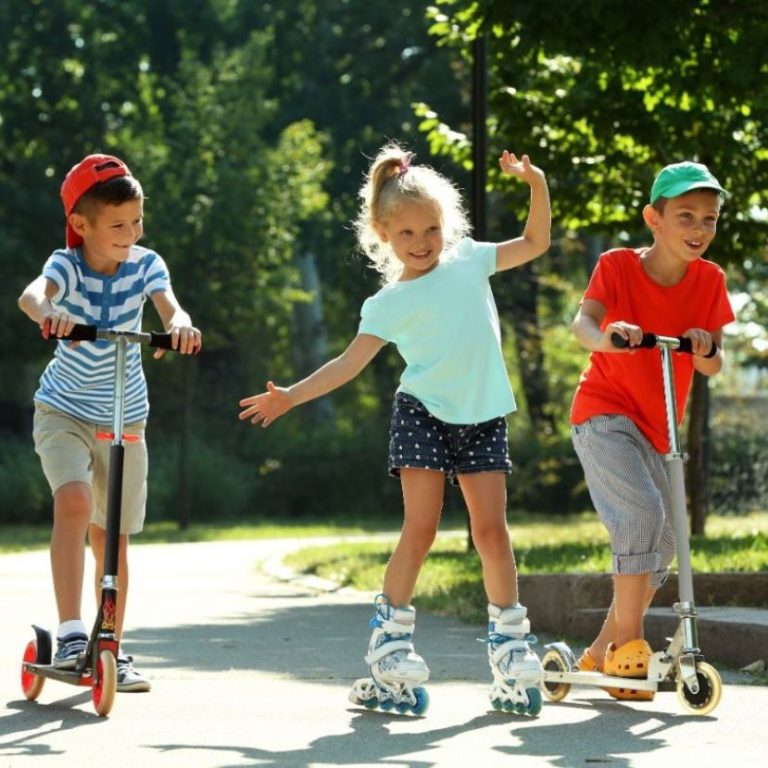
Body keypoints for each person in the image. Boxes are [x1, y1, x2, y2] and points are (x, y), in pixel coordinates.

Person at [239, 143, 551, 712]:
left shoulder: (470, 259)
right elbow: (348, 364)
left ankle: (510, 646)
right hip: (422, 414)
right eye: (406, 233)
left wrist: (536, 185)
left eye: (430, 228)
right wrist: (290, 397)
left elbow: (535, 243)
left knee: (492, 532)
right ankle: (390, 647)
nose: (422, 241)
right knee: (421, 528)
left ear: (445, 224)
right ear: (383, 234)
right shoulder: (388, 303)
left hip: (482, 414)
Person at [18, 153, 202, 692]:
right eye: (118, 225)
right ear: (82, 225)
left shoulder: (146, 265)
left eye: (137, 221)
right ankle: (71, 633)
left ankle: (109, 645)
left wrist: (181, 325)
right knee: (74, 503)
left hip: (125, 415)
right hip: (64, 410)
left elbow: (170, 308)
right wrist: (50, 313)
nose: (131, 233)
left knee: (112, 535)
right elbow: (32, 296)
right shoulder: (67, 265)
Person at [569, 161, 735, 699]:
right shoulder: (617, 266)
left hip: (659, 429)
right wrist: (607, 337)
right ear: (654, 219)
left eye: (708, 219)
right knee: (642, 515)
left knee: (665, 541)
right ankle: (631, 645)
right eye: (686, 216)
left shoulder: (710, 280)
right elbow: (582, 323)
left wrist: (704, 346)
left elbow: (713, 364)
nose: (698, 228)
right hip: (604, 415)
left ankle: (603, 649)